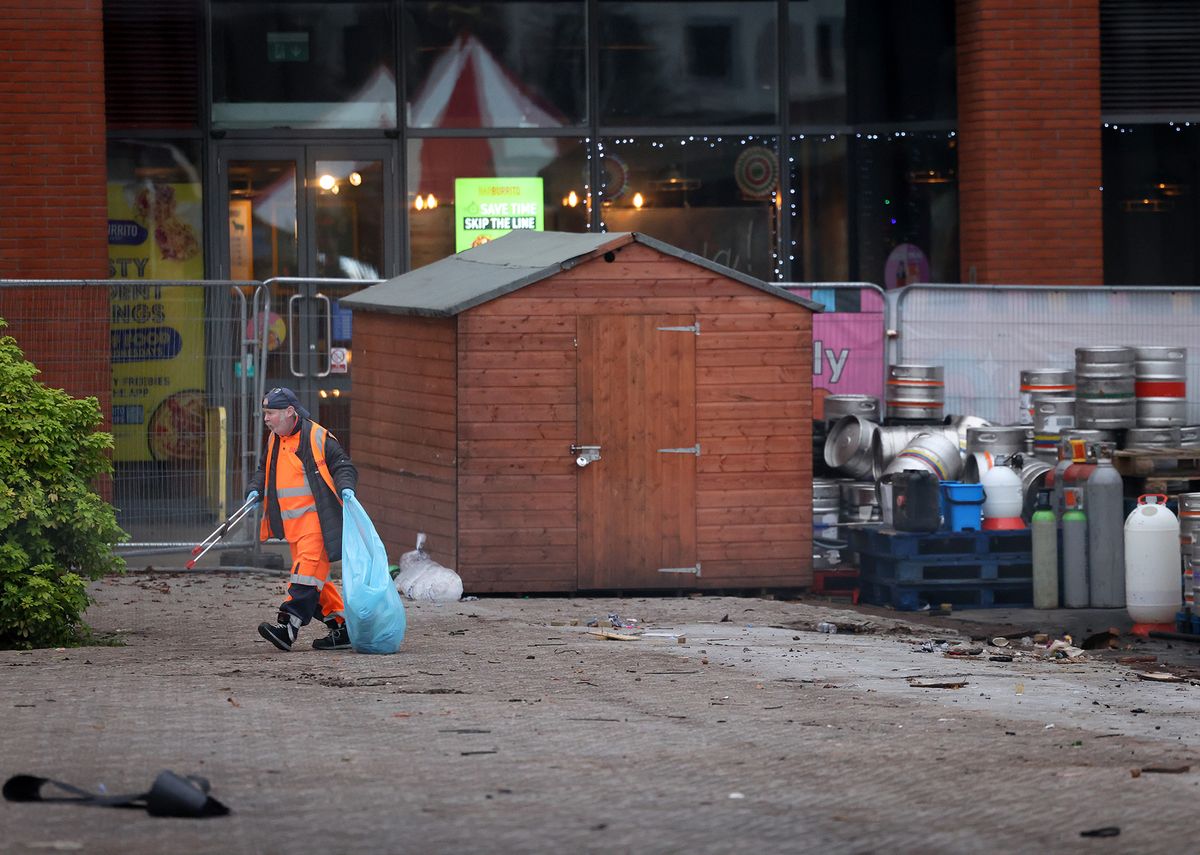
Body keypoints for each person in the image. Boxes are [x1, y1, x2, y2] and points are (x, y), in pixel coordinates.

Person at [247, 387, 357, 652]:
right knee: (316, 582)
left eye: (271, 413)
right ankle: (344, 628)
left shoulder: (317, 437)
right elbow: (265, 469)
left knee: (305, 576)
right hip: (295, 527)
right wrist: (255, 489)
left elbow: (343, 466)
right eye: (265, 413)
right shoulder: (276, 438)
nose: (266, 418)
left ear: (289, 412)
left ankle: (287, 628)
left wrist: (346, 487)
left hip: (318, 525)